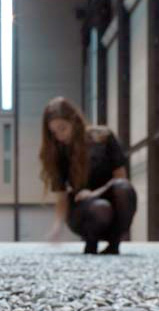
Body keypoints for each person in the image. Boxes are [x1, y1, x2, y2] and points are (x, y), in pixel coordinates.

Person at [40, 97, 137, 255]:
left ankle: (114, 244)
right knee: (100, 208)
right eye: (54, 132)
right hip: (83, 209)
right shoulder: (58, 152)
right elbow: (61, 197)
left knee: (124, 189)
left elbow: (121, 180)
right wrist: (57, 227)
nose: (59, 136)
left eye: (62, 128)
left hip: (110, 200)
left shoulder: (104, 137)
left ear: (74, 121)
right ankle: (91, 244)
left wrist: (94, 193)